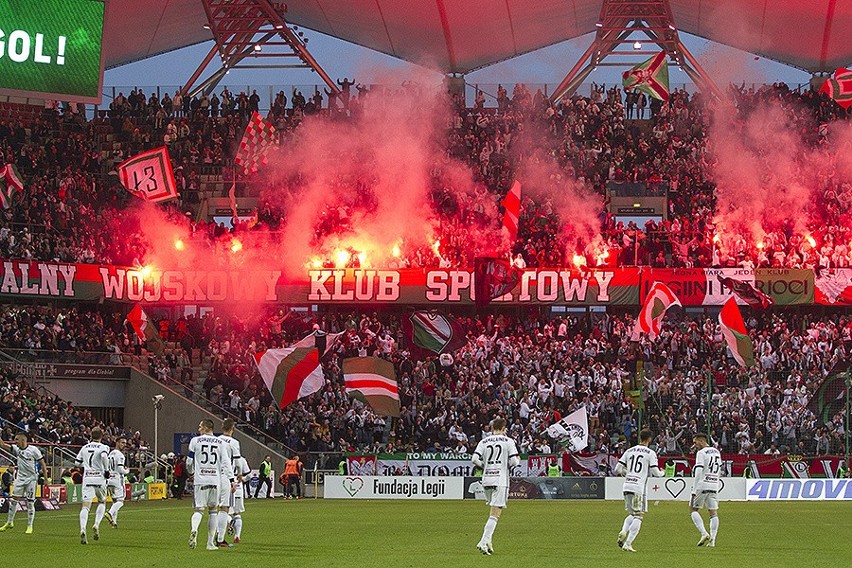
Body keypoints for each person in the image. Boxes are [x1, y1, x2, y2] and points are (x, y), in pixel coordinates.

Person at [471, 417, 520, 555]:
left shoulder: (483, 441)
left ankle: (489, 542)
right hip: (500, 480)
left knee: (492, 511)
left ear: (492, 428)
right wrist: (514, 461)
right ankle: (483, 541)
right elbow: (514, 462)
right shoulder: (509, 441)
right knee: (496, 513)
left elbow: (474, 459)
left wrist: (485, 466)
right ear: (504, 429)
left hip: (486, 479)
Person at [187, 419, 233, 551]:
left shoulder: (195, 441)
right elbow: (225, 462)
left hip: (200, 480)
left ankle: (194, 529)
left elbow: (189, 461)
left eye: (200, 426)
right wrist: (231, 479)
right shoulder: (220, 442)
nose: (199, 428)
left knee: (198, 510)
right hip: (215, 481)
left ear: (207, 428)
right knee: (213, 511)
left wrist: (191, 472)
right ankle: (210, 543)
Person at [615, 429, 663, 552]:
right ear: (650, 439)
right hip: (638, 488)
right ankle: (628, 543)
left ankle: (624, 530)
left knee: (632, 514)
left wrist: (628, 474)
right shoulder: (650, 453)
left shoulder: (629, 451)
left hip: (627, 486)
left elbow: (618, 468)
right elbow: (656, 473)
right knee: (639, 516)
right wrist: (663, 473)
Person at [0, 433, 47, 534]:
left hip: (31, 479)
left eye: (17, 439)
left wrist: (46, 479)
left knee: (30, 503)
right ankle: (9, 522)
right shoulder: (17, 450)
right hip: (20, 479)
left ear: (23, 440)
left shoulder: (34, 450)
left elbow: (43, 464)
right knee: (13, 500)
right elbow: (3, 445)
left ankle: (29, 526)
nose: (15, 441)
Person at [75, 428, 110, 544]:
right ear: (102, 436)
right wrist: (106, 470)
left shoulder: (84, 447)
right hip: (100, 478)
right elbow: (104, 457)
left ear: (91, 435)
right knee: (102, 502)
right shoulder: (103, 447)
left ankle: (82, 528)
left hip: (87, 478)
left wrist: (85, 465)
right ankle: (96, 524)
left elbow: (76, 462)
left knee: (85, 506)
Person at [690, 433, 721, 548]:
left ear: (701, 441)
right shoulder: (716, 452)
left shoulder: (701, 453)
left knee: (693, 509)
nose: (695, 445)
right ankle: (713, 540)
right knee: (713, 513)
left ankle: (704, 533)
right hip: (714, 485)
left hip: (702, 484)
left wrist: (694, 487)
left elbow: (698, 470)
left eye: (695, 442)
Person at [216, 418, 241, 547]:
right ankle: (220, 538)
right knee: (224, 507)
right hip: (226, 477)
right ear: (233, 429)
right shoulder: (234, 442)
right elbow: (237, 462)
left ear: (222, 427)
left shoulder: (216, 440)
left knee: (213, 508)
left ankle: (212, 537)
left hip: (214, 475)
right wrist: (239, 475)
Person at [104, 438, 129, 529]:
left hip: (110, 479)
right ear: (117, 443)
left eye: (125, 443)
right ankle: (109, 513)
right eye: (122, 442)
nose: (124, 445)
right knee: (121, 501)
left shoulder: (110, 454)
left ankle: (114, 523)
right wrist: (127, 471)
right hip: (118, 479)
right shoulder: (120, 455)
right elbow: (120, 469)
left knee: (115, 501)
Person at [228, 456, 251, 544]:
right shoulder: (242, 459)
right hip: (238, 488)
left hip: (228, 486)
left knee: (223, 511)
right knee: (237, 513)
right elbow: (249, 474)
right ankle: (237, 536)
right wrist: (244, 479)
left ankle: (230, 521)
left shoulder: (224, 457)